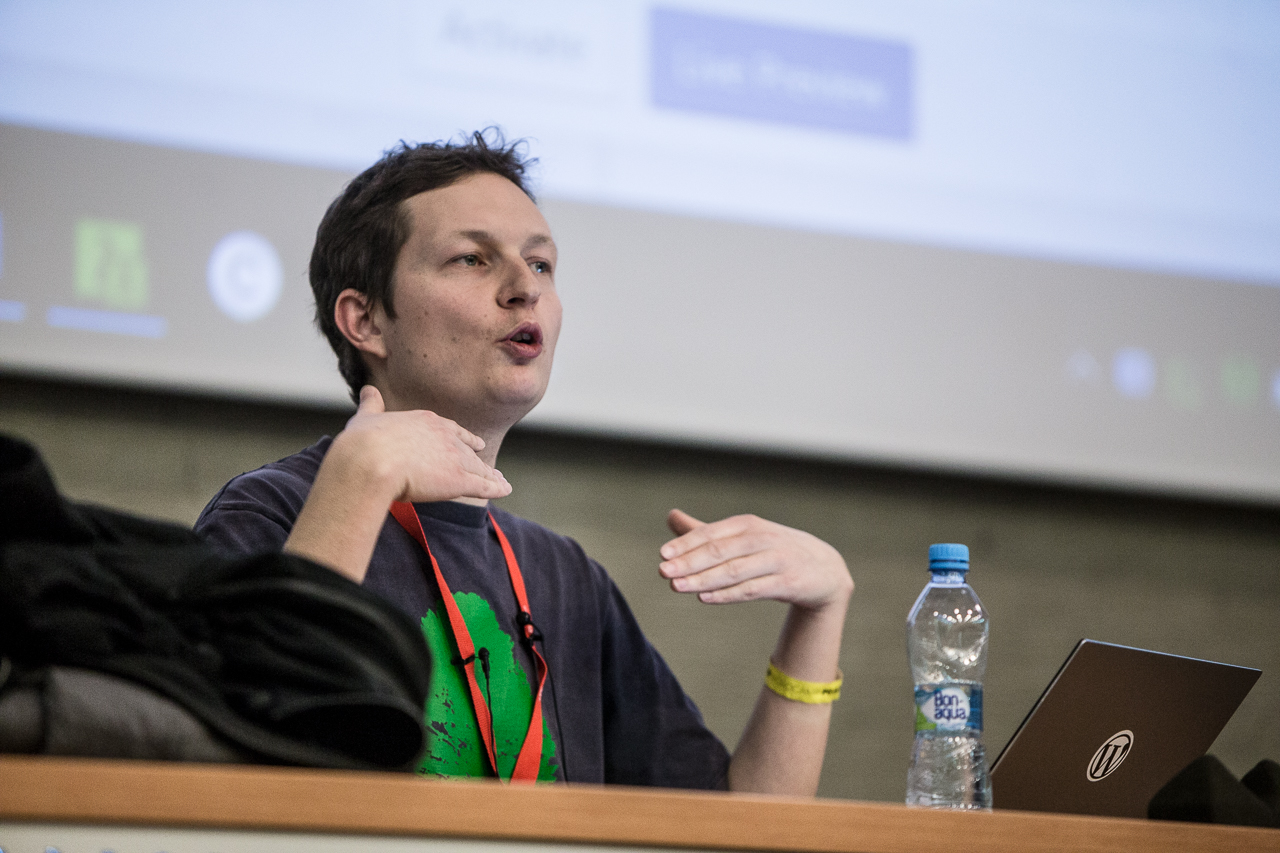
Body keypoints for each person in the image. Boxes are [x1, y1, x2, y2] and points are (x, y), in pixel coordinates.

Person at [196, 131, 853, 793]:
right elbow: (228, 772)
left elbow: (738, 825)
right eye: (471, 259)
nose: (524, 288)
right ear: (365, 320)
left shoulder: (564, 576)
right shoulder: (273, 512)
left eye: (540, 264)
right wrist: (360, 478)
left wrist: (819, 614)